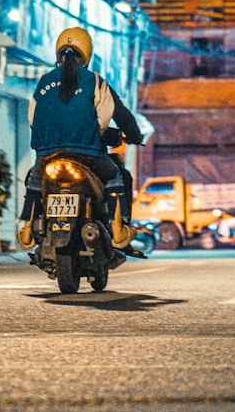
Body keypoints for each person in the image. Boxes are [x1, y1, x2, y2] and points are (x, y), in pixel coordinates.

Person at [16, 25, 145, 256]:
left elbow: (32, 118)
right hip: (87, 154)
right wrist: (133, 135)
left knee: (35, 180)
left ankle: (26, 228)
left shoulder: (44, 82)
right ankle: (118, 231)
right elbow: (109, 117)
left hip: (47, 154)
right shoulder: (95, 81)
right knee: (116, 176)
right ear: (86, 53)